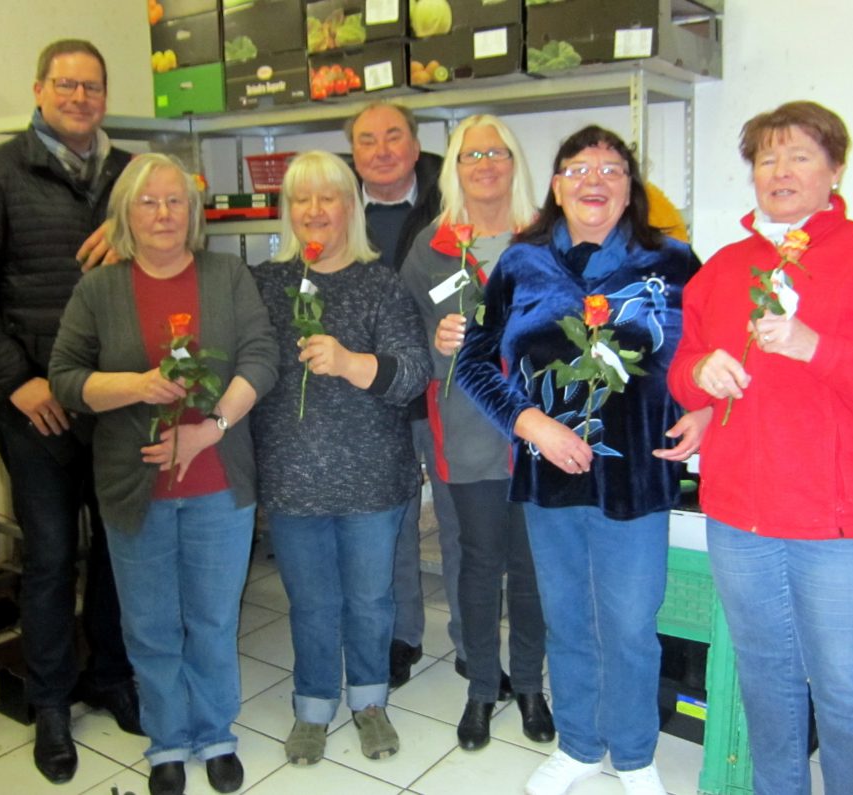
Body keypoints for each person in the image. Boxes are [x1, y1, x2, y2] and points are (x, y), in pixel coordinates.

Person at [667, 101, 853, 795]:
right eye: (766, 158)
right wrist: (699, 376)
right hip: (742, 516)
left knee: (850, 689)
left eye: (799, 156)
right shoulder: (724, 268)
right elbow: (684, 364)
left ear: (835, 170)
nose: (780, 171)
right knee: (765, 677)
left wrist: (814, 345)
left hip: (845, 523)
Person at [455, 125, 708, 795]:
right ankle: (578, 743)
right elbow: (473, 360)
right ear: (557, 185)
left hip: (638, 472)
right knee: (567, 617)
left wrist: (707, 409)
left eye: (612, 168)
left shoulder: (674, 261)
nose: (594, 179)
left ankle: (632, 754)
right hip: (550, 475)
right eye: (577, 167)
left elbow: (714, 354)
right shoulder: (520, 262)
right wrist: (529, 421)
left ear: (633, 188)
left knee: (628, 623)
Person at [0, 38, 140, 784]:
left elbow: (174, 231)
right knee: (53, 555)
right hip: (38, 408)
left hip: (116, 400)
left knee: (119, 552)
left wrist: (132, 225)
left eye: (92, 86)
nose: (81, 98)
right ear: (39, 89)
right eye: (67, 85)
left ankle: (111, 674)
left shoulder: (127, 175)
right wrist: (17, 380)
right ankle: (53, 700)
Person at [49, 153, 278, 795]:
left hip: (217, 482)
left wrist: (212, 429)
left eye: (175, 200)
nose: (163, 213)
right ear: (127, 212)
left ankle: (216, 733)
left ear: (193, 211)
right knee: (148, 625)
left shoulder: (227, 275)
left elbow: (261, 356)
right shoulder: (99, 288)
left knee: (211, 618)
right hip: (134, 488)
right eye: (148, 201)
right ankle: (168, 740)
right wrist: (134, 386)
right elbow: (66, 377)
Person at [251, 150, 431, 766]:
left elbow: (413, 372)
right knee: (311, 601)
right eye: (301, 198)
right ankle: (313, 704)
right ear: (288, 210)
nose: (314, 210)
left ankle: (371, 701)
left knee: (369, 599)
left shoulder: (379, 284)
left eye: (328, 197)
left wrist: (354, 363)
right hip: (291, 477)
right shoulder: (265, 282)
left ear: (350, 207)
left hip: (371, 480)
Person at [399, 114, 551, 751]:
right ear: (454, 167)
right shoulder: (431, 247)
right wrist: (435, 346)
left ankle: (531, 689)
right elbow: (404, 341)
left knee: (533, 567)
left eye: (497, 151)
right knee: (480, 563)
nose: (485, 163)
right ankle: (482, 689)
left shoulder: (547, 239)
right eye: (470, 153)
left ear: (514, 163)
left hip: (541, 433)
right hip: (465, 429)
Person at [345, 101, 467, 689]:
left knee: (458, 520)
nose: (382, 150)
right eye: (367, 141)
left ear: (416, 146)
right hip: (378, 396)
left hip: (449, 393)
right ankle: (400, 636)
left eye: (394, 137)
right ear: (354, 153)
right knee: (389, 526)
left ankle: (471, 641)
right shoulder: (342, 208)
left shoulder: (450, 197)